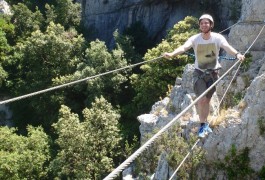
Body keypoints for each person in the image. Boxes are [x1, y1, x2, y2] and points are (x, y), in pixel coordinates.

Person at [163, 14, 245, 138]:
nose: (204, 25)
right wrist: (172, 54)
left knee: (207, 99)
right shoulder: (195, 38)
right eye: (202, 23)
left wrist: (237, 54)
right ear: (199, 25)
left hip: (213, 74)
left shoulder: (217, 38)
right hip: (199, 74)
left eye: (206, 23)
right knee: (201, 100)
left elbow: (227, 47)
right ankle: (202, 125)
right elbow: (184, 47)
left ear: (211, 25)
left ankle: (205, 123)